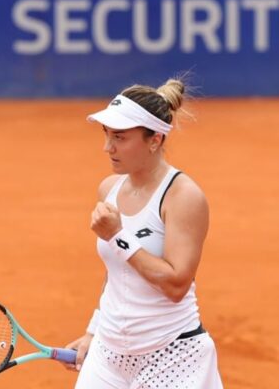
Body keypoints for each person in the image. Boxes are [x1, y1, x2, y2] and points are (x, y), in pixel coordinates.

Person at [64, 78, 223, 388]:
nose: (108, 147)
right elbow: (116, 272)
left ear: (155, 140)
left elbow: (176, 285)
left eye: (120, 137)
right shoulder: (109, 189)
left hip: (172, 355)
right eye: (106, 134)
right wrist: (94, 330)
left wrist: (118, 236)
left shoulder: (183, 197)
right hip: (108, 354)